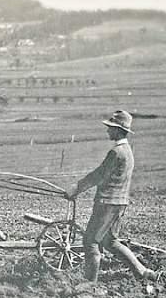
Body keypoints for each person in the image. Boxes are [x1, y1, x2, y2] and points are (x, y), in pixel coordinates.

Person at [64, 110, 156, 282]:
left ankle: (89, 283)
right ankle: (142, 272)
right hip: (120, 203)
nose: (108, 131)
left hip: (107, 203)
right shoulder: (127, 151)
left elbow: (98, 175)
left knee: (91, 241)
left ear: (118, 130)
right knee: (110, 241)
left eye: (110, 128)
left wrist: (76, 188)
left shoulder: (116, 153)